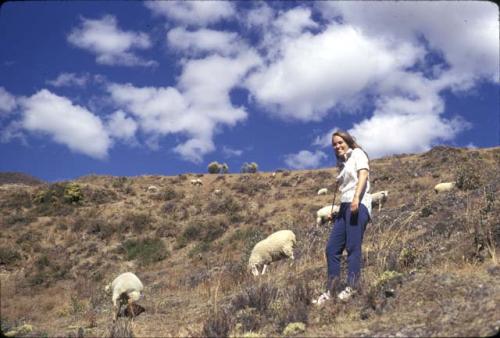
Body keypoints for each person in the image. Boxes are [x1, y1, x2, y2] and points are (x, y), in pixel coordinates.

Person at [313, 130, 372, 305]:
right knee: (332, 249)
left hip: (359, 203)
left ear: (348, 141)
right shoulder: (342, 163)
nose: (337, 146)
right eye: (334, 144)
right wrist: (338, 211)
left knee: (353, 246)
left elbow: (363, 174)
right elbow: (345, 190)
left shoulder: (358, 154)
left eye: (340, 142)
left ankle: (352, 287)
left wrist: (356, 198)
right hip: (345, 207)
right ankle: (331, 290)